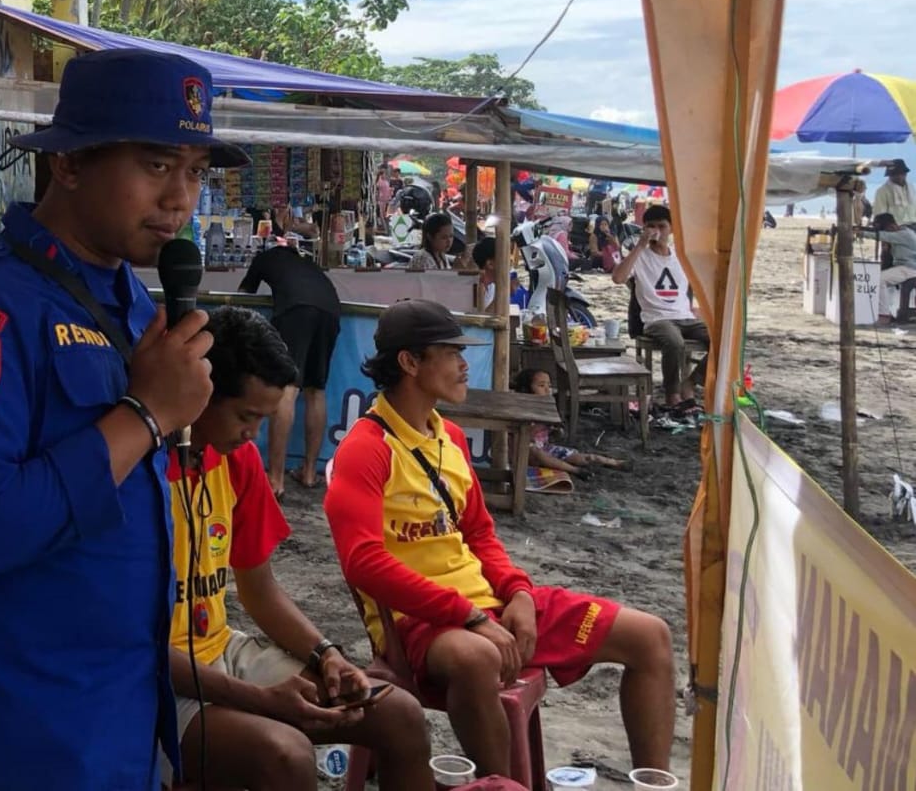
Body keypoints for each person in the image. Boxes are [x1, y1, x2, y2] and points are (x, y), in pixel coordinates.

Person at [0, 48, 241, 791]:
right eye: (156, 165)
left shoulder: (130, 303)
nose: (180, 198)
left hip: (115, 719)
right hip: (12, 736)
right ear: (70, 164)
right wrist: (145, 414)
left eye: (195, 170)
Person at [323, 300, 676, 781]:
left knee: (650, 636)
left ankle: (653, 782)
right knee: (478, 657)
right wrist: (467, 616)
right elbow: (363, 562)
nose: (464, 364)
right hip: (420, 623)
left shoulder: (449, 436)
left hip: (485, 605)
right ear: (409, 362)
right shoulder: (366, 448)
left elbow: (479, 534)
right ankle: (501, 784)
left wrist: (519, 592)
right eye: (451, 353)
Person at [163, 306, 435, 791]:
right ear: (200, 391)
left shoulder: (238, 461)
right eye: (246, 416)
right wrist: (260, 701)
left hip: (221, 651)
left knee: (400, 715)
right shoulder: (140, 471)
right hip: (151, 683)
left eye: (263, 420)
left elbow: (260, 592)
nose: (253, 435)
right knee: (285, 754)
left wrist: (326, 655)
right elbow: (134, 647)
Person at [239, 244, 341, 495]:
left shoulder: (264, 258)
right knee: (316, 389)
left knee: (287, 388)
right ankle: (309, 473)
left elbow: (242, 297)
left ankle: (275, 479)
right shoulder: (307, 264)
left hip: (296, 309)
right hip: (331, 310)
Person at [611, 204, 706, 414]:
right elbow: (618, 278)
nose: (656, 231)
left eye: (662, 226)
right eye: (651, 226)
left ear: (671, 229)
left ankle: (691, 382)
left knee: (723, 341)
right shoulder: (639, 256)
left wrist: (696, 308)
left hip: (684, 316)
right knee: (674, 342)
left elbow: (696, 284)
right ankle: (672, 393)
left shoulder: (681, 256)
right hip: (656, 319)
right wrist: (640, 245)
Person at [511, 368, 625, 493]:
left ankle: (614, 462)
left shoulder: (547, 406)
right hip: (525, 451)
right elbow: (524, 435)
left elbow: (550, 435)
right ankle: (575, 470)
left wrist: (556, 430)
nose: (547, 390)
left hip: (545, 447)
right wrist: (541, 425)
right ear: (526, 389)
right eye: (541, 386)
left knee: (576, 456)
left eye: (549, 385)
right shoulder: (523, 408)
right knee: (538, 453)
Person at [867, 211, 916, 325]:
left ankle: (884, 315)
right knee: (880, 280)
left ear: (891, 226)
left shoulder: (904, 234)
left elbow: (882, 235)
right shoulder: (902, 232)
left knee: (879, 280)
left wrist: (860, 233)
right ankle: (883, 312)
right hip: (905, 267)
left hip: (910, 268)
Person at [872, 159, 916, 226]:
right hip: (896, 227)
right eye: (894, 174)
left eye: (901, 173)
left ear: (905, 174)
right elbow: (879, 214)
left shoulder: (911, 188)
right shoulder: (882, 191)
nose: (898, 176)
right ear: (889, 176)